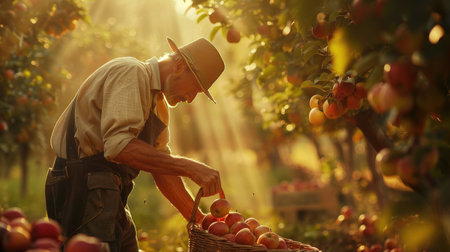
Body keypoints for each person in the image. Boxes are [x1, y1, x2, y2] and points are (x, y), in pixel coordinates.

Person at [45, 37, 226, 252]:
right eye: (195, 87)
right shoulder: (132, 73)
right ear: (179, 65)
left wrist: (198, 219)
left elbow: (163, 169)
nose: (191, 98)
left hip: (107, 191)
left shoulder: (158, 105)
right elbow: (118, 146)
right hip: (82, 187)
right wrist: (190, 167)